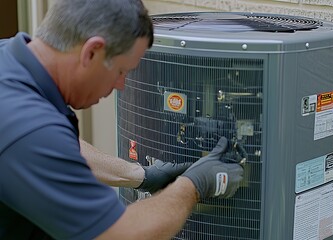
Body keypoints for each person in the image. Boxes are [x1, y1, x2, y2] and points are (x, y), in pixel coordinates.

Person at [0, 0, 244, 239]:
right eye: (120, 71)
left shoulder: (8, 60)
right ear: (92, 52)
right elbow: (118, 234)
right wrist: (194, 185)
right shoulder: (31, 130)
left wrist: (139, 175)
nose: (121, 85)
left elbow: (51, 148)